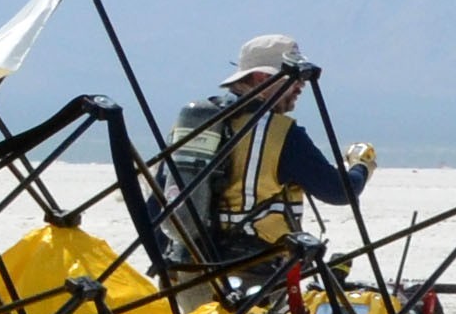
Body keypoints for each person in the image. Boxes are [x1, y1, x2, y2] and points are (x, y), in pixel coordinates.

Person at [151, 32, 373, 281]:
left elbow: (157, 206)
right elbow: (339, 191)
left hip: (186, 272)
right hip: (253, 278)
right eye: (295, 78)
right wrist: (361, 165)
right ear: (262, 77)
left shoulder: (195, 125)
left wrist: (166, 266)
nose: (302, 86)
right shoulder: (280, 135)